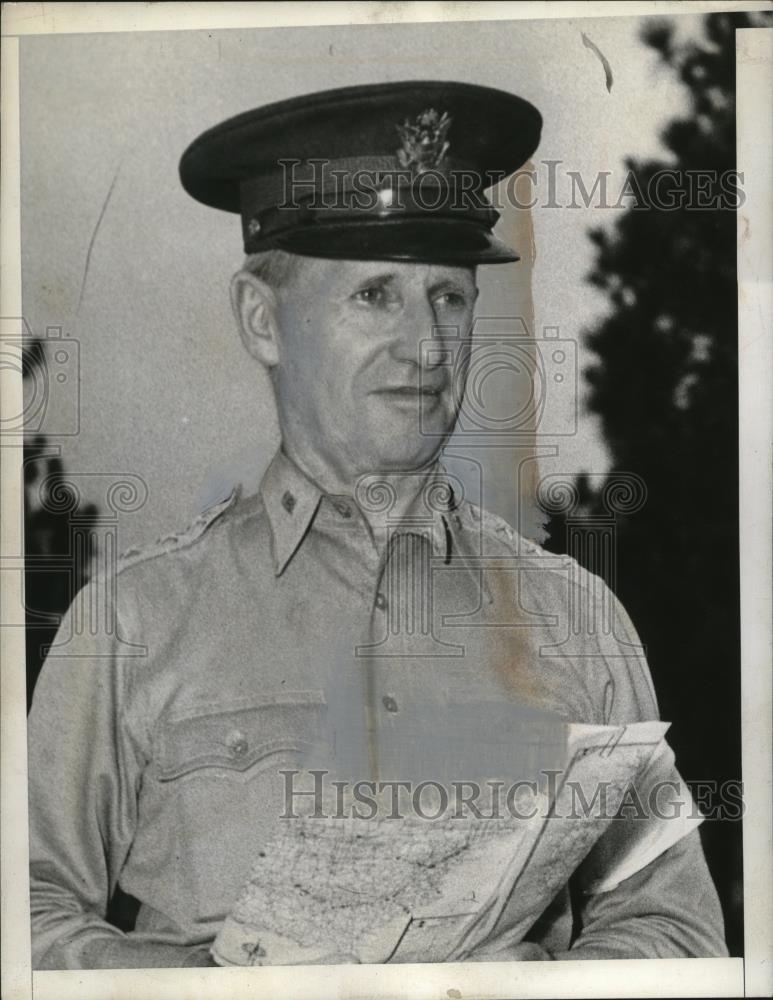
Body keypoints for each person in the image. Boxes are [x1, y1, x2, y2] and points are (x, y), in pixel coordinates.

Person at [27, 81, 727, 969]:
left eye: (449, 297)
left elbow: (676, 929)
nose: (427, 347)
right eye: (374, 296)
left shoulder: (578, 620)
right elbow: (29, 913)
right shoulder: (132, 619)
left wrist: (534, 987)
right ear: (261, 318)